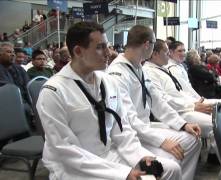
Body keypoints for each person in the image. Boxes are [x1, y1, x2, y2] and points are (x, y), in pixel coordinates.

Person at [37, 21, 181, 180]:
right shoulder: (54, 92)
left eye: (107, 46)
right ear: (78, 51)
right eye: (100, 47)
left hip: (109, 154)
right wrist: (123, 173)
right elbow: (64, 149)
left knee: (170, 169)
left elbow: (122, 128)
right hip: (74, 167)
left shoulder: (108, 82)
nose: (109, 52)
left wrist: (139, 156)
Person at [108, 25, 201, 180]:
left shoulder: (139, 67)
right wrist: (162, 141)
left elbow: (157, 101)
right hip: (130, 134)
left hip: (145, 128)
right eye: (153, 44)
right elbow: (128, 119)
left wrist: (182, 124)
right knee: (171, 160)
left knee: (193, 140)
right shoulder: (117, 73)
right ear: (147, 45)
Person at [143, 39, 213, 138]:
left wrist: (195, 102)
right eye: (167, 52)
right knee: (216, 125)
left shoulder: (162, 69)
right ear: (155, 54)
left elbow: (179, 92)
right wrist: (192, 106)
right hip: (175, 112)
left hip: (183, 107)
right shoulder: (149, 72)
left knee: (219, 115)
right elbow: (162, 99)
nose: (169, 55)